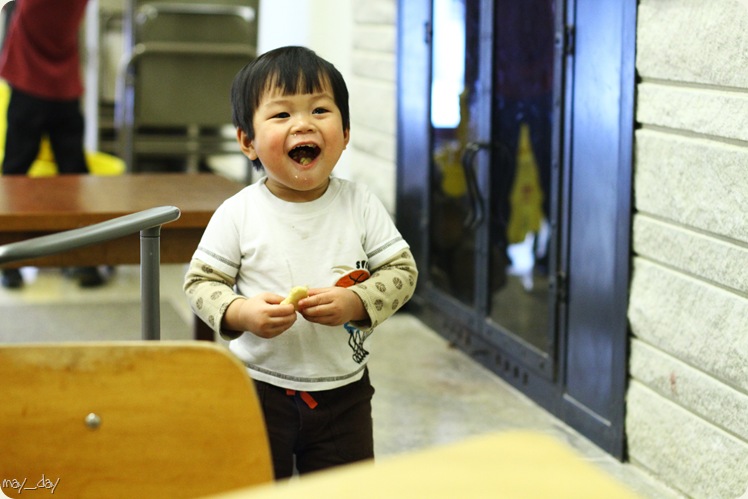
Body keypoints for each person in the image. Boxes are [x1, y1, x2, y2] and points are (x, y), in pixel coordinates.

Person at [183, 46, 418, 479]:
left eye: (320, 110)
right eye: (281, 114)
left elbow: (402, 273)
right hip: (258, 387)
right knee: (257, 483)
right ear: (247, 142)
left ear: (345, 133)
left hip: (344, 394)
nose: (304, 123)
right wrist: (241, 311)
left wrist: (356, 302)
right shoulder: (239, 212)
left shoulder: (360, 204)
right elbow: (201, 282)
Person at [0, 0, 104, 288]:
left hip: (28, 82)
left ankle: (7, 261)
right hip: (64, 86)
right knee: (73, 178)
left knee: (14, 175)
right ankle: (84, 260)